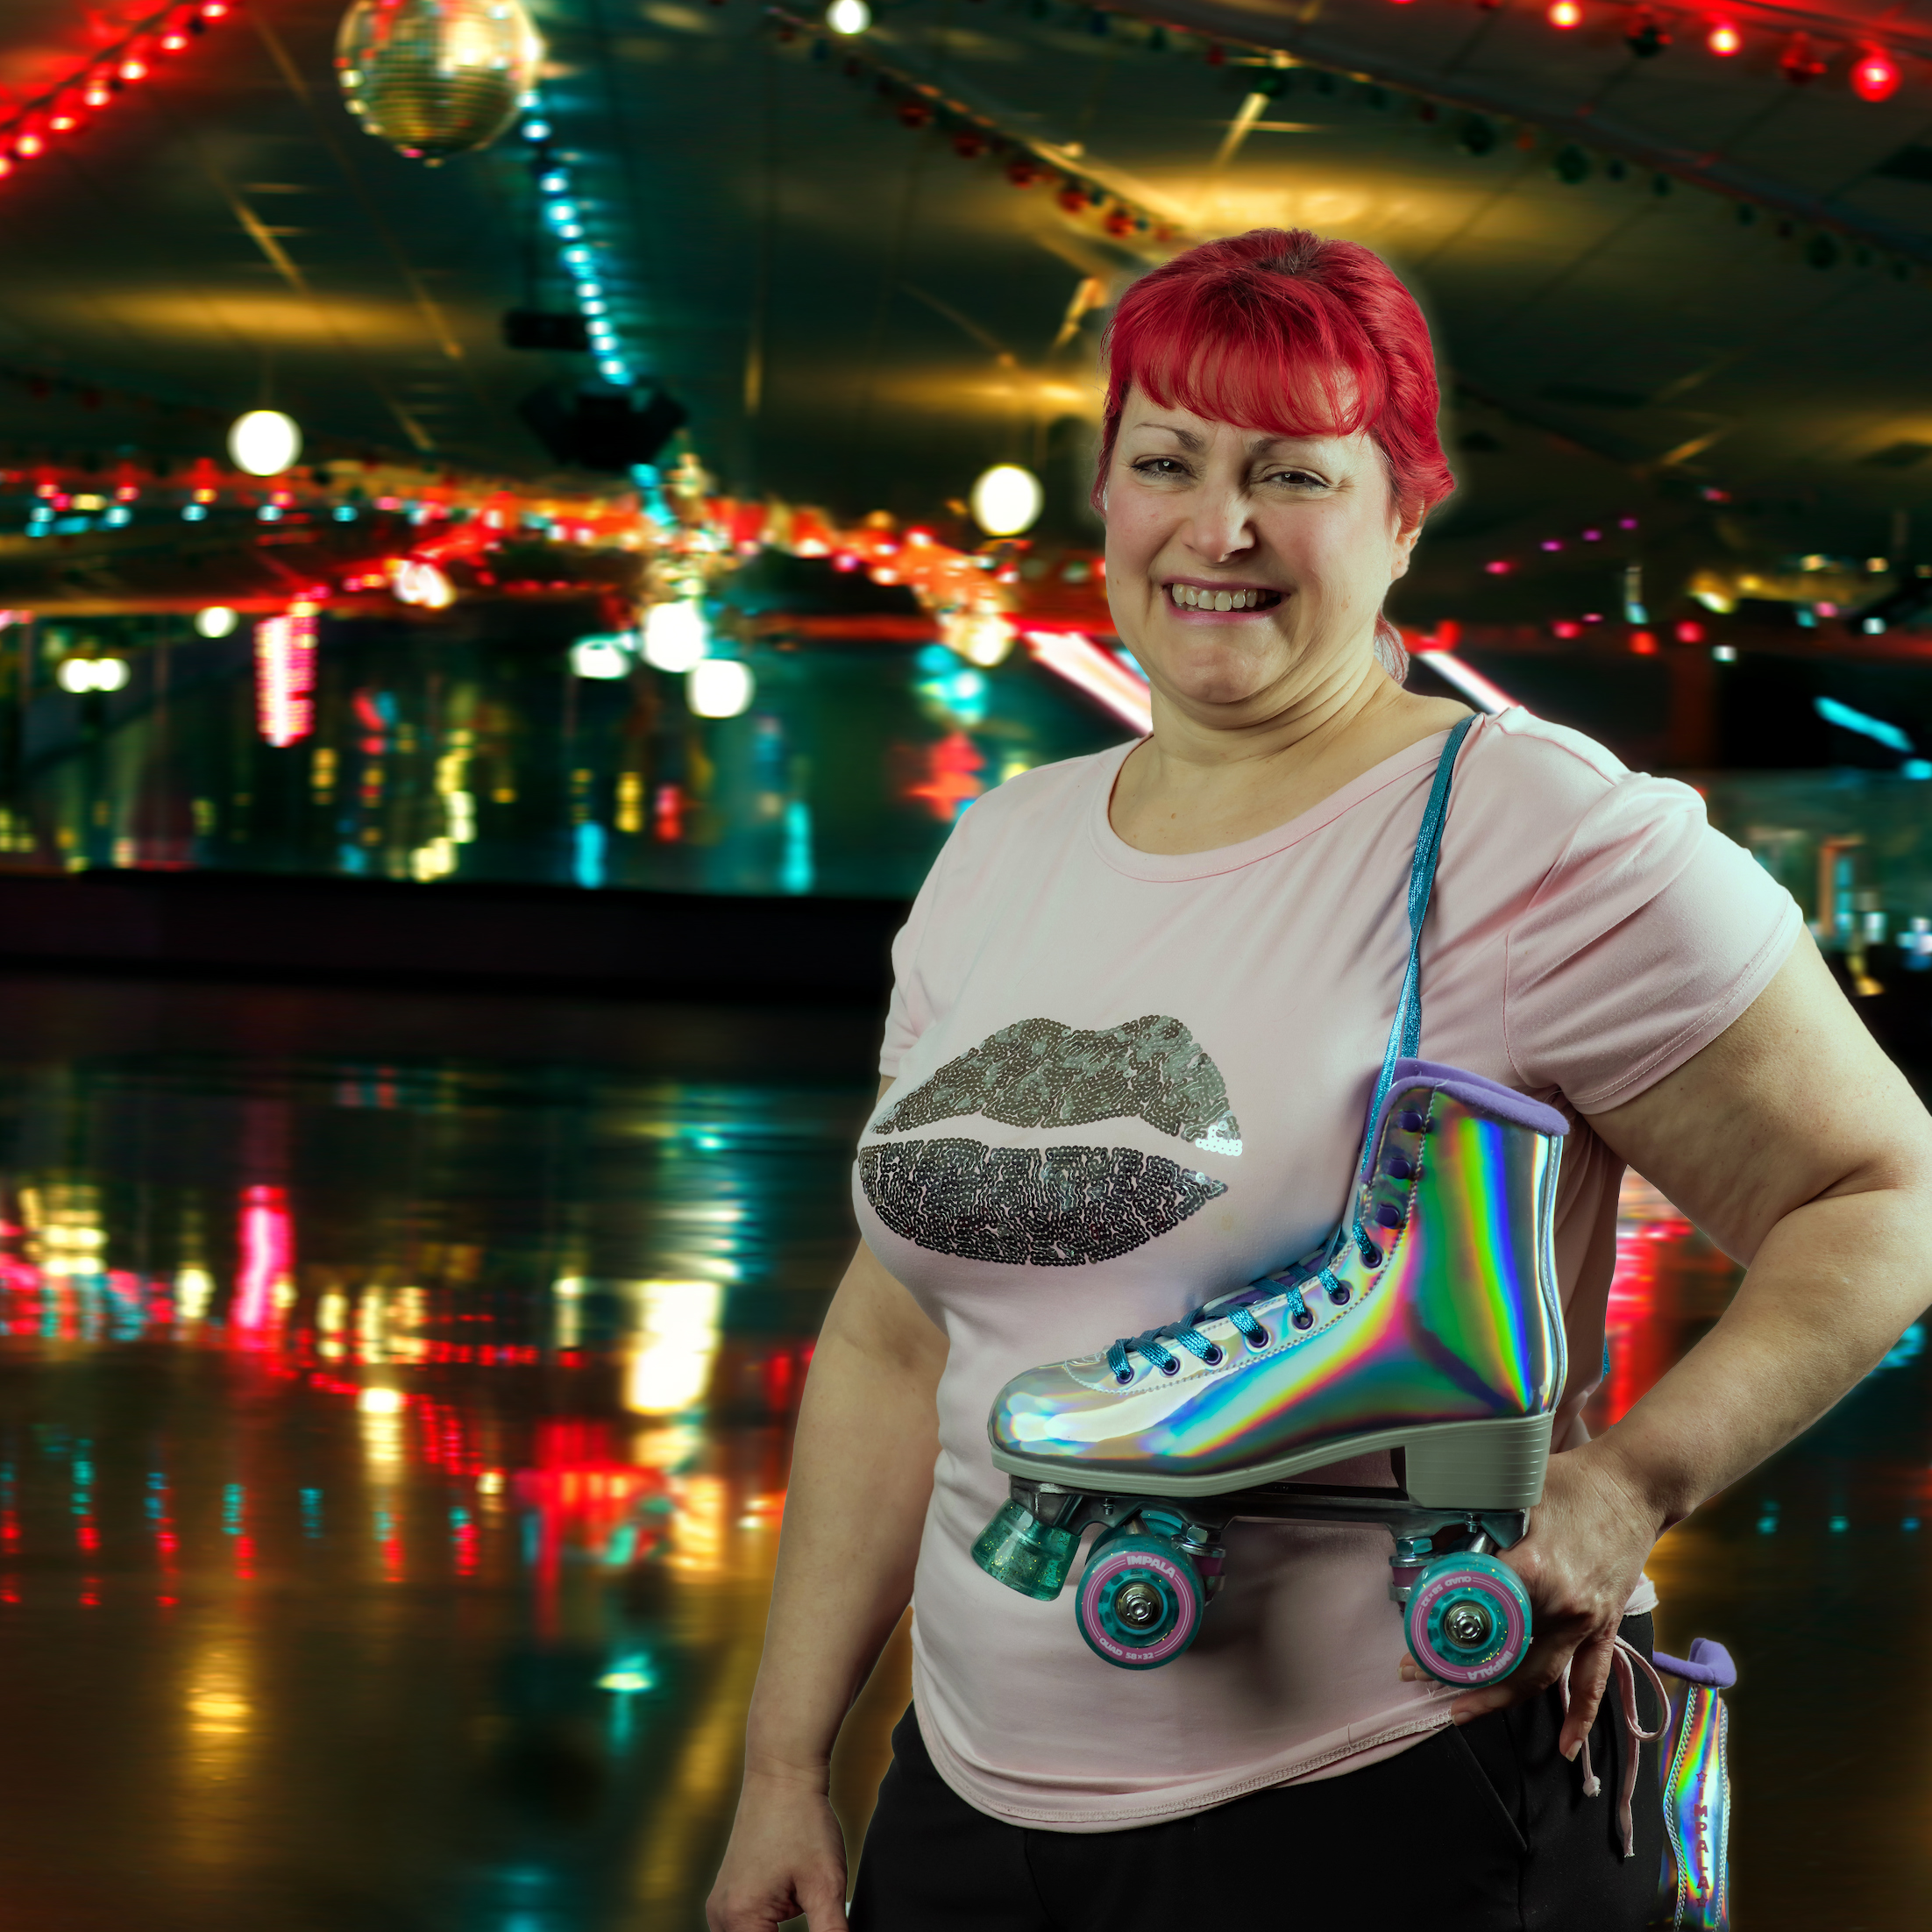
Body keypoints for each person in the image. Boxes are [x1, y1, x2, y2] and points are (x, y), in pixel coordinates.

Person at [706, 229, 1932, 1931]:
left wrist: (1628, 1478)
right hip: (970, 1807)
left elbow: (1885, 1190)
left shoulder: (1535, 830)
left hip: (1380, 1802)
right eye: (1167, 462)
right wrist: (784, 1765)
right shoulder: (1002, 850)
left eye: (1290, 473)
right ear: (1108, 498)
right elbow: (896, 1333)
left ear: (1402, 514)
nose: (1218, 529)